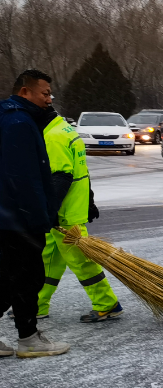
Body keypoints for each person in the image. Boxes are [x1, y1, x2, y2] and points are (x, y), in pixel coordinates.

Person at [0, 69, 70, 358]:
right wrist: (39, 216)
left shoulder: (16, 118)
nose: (49, 99)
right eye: (44, 93)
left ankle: (28, 336)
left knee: (12, 278)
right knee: (23, 279)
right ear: (24, 92)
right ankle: (29, 339)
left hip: (10, 215)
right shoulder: (19, 123)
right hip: (17, 218)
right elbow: (24, 177)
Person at [36, 104, 121, 322]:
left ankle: (107, 304)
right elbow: (80, 170)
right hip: (68, 209)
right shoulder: (65, 129)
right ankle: (37, 305)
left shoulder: (52, 137)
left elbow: (61, 177)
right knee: (48, 260)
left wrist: (49, 210)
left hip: (63, 214)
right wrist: (89, 201)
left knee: (81, 262)